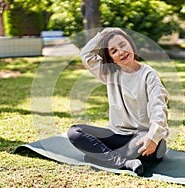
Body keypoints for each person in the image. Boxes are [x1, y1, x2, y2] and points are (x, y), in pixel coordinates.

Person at [67, 28, 169, 175]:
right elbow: (86, 55)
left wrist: (153, 137)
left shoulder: (148, 74)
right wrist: (102, 34)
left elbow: (158, 107)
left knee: (156, 146)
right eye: (113, 51)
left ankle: (101, 156)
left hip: (140, 137)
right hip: (116, 135)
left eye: (123, 45)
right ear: (111, 58)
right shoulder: (109, 73)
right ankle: (124, 162)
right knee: (75, 133)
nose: (120, 52)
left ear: (131, 45)